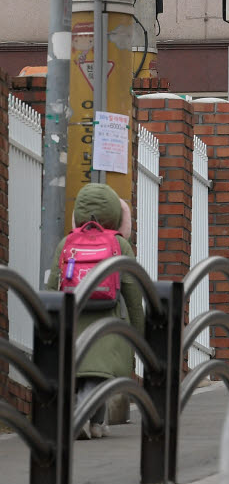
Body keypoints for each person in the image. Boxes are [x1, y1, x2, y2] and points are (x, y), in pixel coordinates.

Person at [46, 183, 144, 440]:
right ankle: (83, 417)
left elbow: (53, 284)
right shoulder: (120, 245)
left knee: (78, 372)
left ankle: (97, 423)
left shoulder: (67, 242)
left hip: (72, 318)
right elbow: (133, 294)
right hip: (107, 321)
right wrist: (138, 333)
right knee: (97, 375)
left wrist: (49, 322)